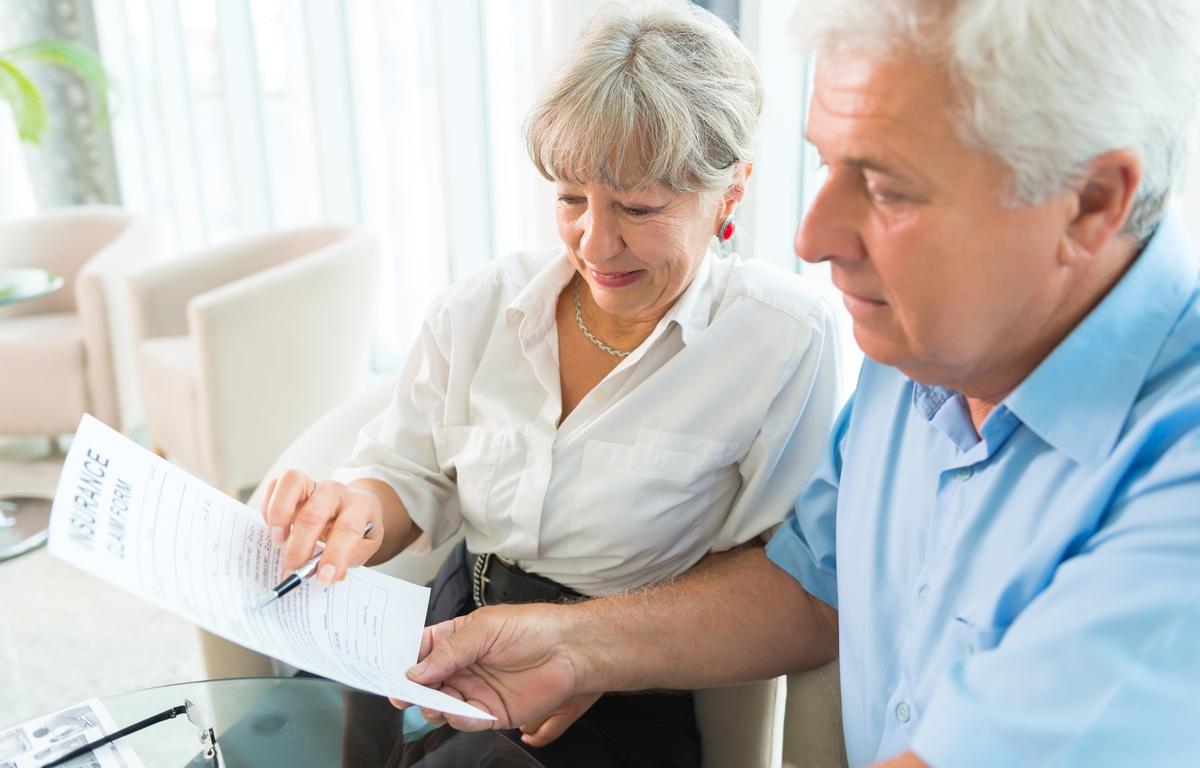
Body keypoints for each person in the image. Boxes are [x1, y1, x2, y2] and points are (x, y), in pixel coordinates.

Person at [398, 1, 1200, 766]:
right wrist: (574, 648)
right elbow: (814, 589)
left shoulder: (1176, 477)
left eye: (888, 188)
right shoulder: (919, 353)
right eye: (826, 164)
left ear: (1090, 202)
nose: (813, 237)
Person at [261, 3, 840, 766]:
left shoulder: (780, 339)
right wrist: (356, 508)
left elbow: (785, 573)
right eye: (571, 198)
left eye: (639, 207)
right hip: (455, 619)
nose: (595, 244)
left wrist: (600, 649)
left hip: (616, 692)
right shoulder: (483, 309)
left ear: (730, 194)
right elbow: (409, 469)